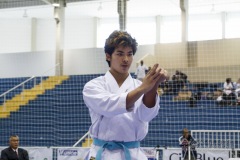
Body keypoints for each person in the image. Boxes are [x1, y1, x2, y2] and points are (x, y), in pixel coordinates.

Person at [82, 30, 168, 160]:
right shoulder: (93, 86)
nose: (126, 59)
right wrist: (143, 88)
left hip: (133, 153)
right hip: (103, 154)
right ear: (108, 56)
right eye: (120, 54)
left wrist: (154, 85)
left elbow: (146, 115)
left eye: (130, 54)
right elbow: (109, 106)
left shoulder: (139, 85)